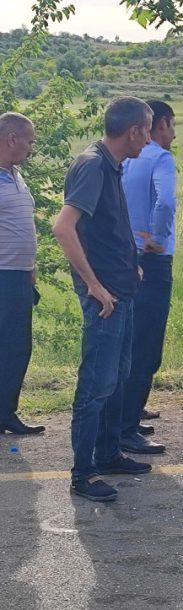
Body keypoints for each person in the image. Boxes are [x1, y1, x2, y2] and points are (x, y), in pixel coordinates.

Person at [52, 96, 154, 502]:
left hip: (120, 289)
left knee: (117, 377)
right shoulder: (93, 165)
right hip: (105, 298)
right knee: (96, 385)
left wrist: (131, 264)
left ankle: (108, 454)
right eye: (147, 132)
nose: (148, 140)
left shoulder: (111, 164)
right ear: (133, 131)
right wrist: (93, 284)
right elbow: (63, 227)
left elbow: (106, 227)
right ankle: (83, 473)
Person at [119, 100, 177, 454]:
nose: (174, 134)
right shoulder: (160, 158)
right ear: (161, 124)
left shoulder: (126, 159)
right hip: (153, 262)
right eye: (173, 125)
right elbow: (165, 201)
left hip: (127, 258)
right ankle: (126, 429)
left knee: (130, 342)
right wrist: (156, 237)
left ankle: (126, 415)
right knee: (146, 347)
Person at [0, 112, 44, 435]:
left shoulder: (16, 175)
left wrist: (30, 267)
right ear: (12, 139)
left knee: (17, 347)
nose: (31, 148)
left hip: (19, 277)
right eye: (29, 141)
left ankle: (6, 413)